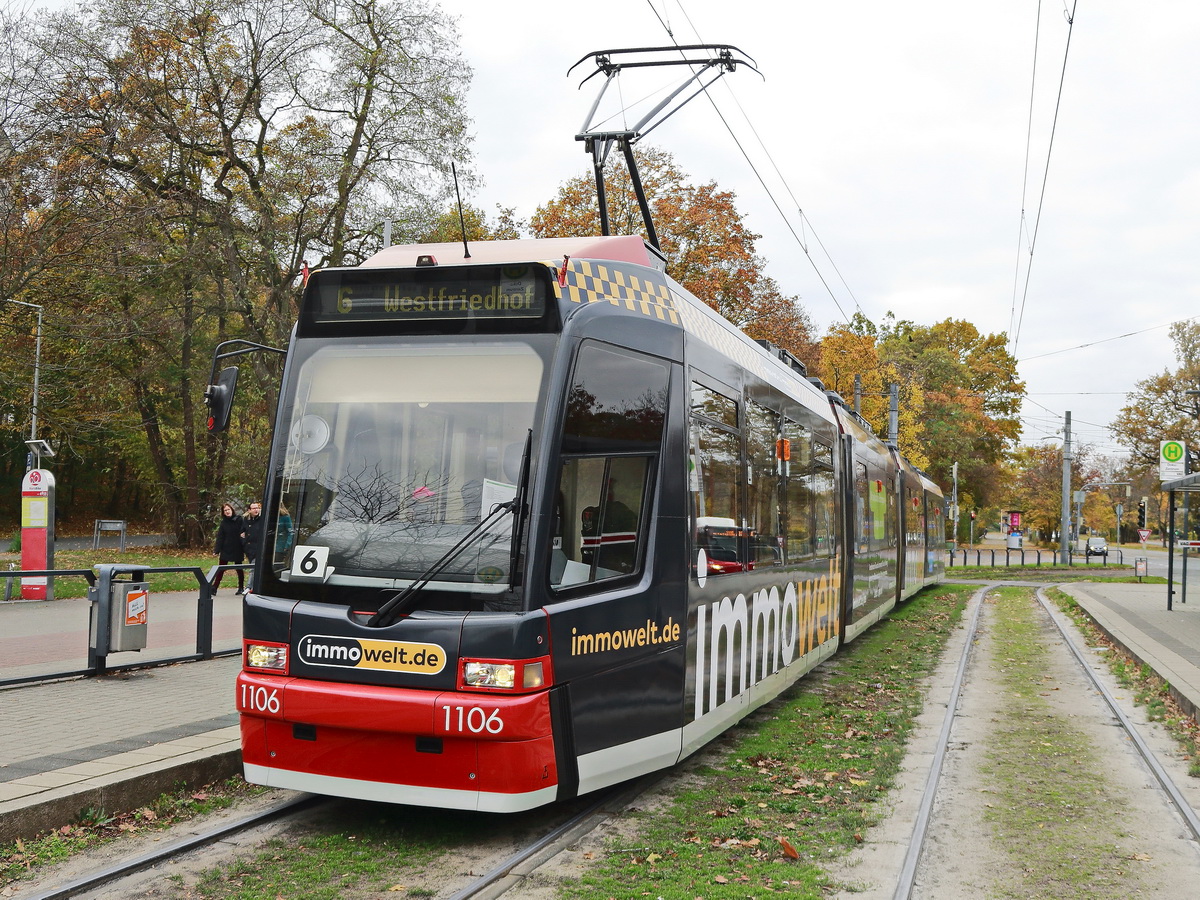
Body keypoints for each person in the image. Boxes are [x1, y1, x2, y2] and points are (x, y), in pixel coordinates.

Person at [212, 502, 246, 594]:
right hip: (226, 548)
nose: (227, 512)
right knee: (221, 568)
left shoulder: (239, 519)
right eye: (225, 510)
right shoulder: (223, 523)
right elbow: (220, 537)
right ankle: (214, 587)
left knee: (239, 568)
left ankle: (241, 587)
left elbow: (245, 531)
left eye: (228, 509)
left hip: (237, 547)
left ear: (232, 510)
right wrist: (217, 550)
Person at [243, 500, 264, 581]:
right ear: (249, 510)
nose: (256, 510)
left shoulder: (262, 520)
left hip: (258, 548)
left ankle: (249, 587)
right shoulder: (245, 520)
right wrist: (244, 542)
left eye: (258, 508)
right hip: (249, 549)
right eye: (254, 508)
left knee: (253, 568)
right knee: (254, 568)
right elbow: (242, 532)